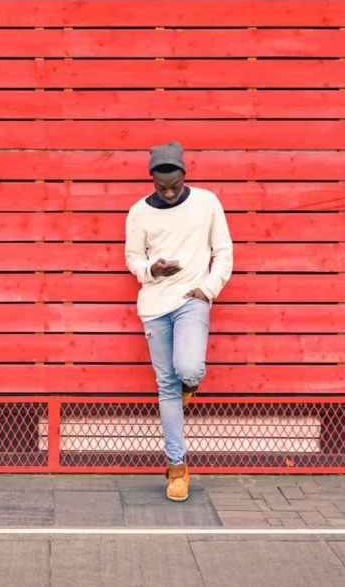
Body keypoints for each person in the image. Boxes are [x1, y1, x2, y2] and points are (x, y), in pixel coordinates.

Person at [124, 142, 233, 502]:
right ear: (152, 180)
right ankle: (177, 468)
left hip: (192, 299)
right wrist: (151, 269)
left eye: (174, 185)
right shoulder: (139, 212)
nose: (169, 193)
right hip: (155, 305)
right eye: (161, 188)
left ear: (184, 175)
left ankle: (190, 386)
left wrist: (207, 289)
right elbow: (133, 258)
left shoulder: (206, 202)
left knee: (189, 369)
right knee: (167, 387)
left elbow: (224, 251)